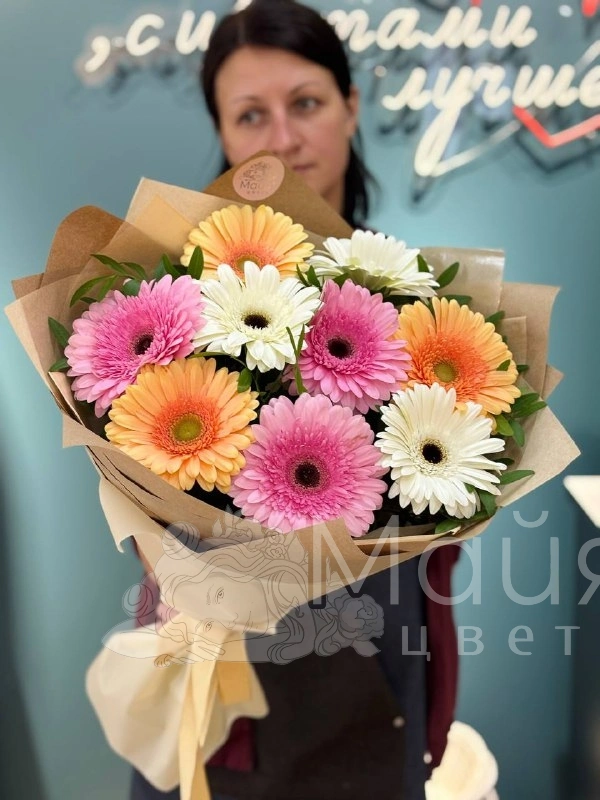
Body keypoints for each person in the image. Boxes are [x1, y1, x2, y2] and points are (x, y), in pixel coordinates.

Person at [130, 1, 461, 798]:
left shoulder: (426, 312)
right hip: (225, 679)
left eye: (306, 103)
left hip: (379, 669)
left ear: (351, 106)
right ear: (223, 133)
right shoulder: (172, 308)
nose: (282, 138)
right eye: (252, 115)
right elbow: (136, 491)